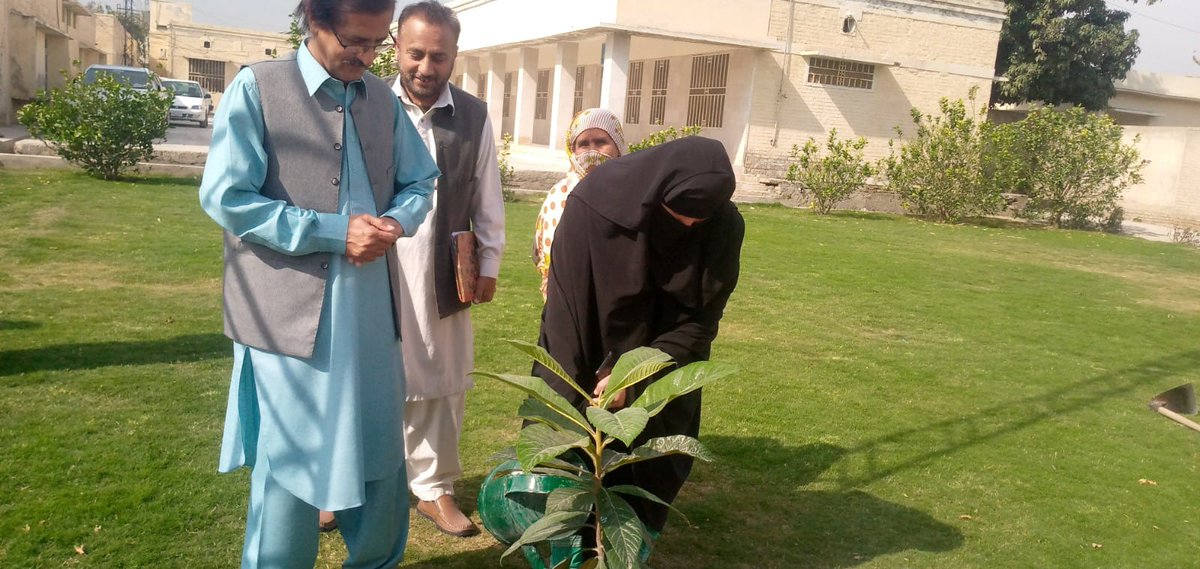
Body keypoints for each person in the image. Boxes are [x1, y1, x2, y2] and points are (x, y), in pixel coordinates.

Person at [197, 0, 439, 566]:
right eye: (355, 41)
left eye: (379, 43)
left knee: (379, 452)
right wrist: (334, 232)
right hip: (287, 319)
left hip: (372, 322)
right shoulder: (259, 88)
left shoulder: (382, 100)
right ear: (315, 22)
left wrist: (397, 221)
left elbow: (421, 180)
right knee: (289, 467)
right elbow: (228, 198)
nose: (368, 56)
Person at [534, 136, 744, 535]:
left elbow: (700, 320)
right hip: (585, 339)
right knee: (567, 449)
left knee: (651, 462)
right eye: (676, 214)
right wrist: (577, 389)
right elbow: (566, 310)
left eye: (699, 221)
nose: (687, 226)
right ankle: (568, 540)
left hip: (663, 354)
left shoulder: (724, 226)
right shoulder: (594, 205)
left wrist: (634, 376)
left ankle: (628, 543)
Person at [384, 0, 505, 538]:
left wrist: (490, 264)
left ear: (456, 55)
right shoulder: (366, 105)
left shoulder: (473, 115)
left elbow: (488, 196)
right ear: (396, 49)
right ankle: (344, 485)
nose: (426, 68)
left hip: (445, 271)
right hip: (377, 271)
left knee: (441, 377)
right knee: (367, 376)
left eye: (439, 56)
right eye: (416, 54)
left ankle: (434, 489)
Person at [532, 108, 628, 299]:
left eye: (601, 142)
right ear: (573, 150)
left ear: (618, 147)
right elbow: (541, 255)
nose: (592, 151)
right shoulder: (559, 196)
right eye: (583, 144)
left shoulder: (634, 194)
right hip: (565, 303)